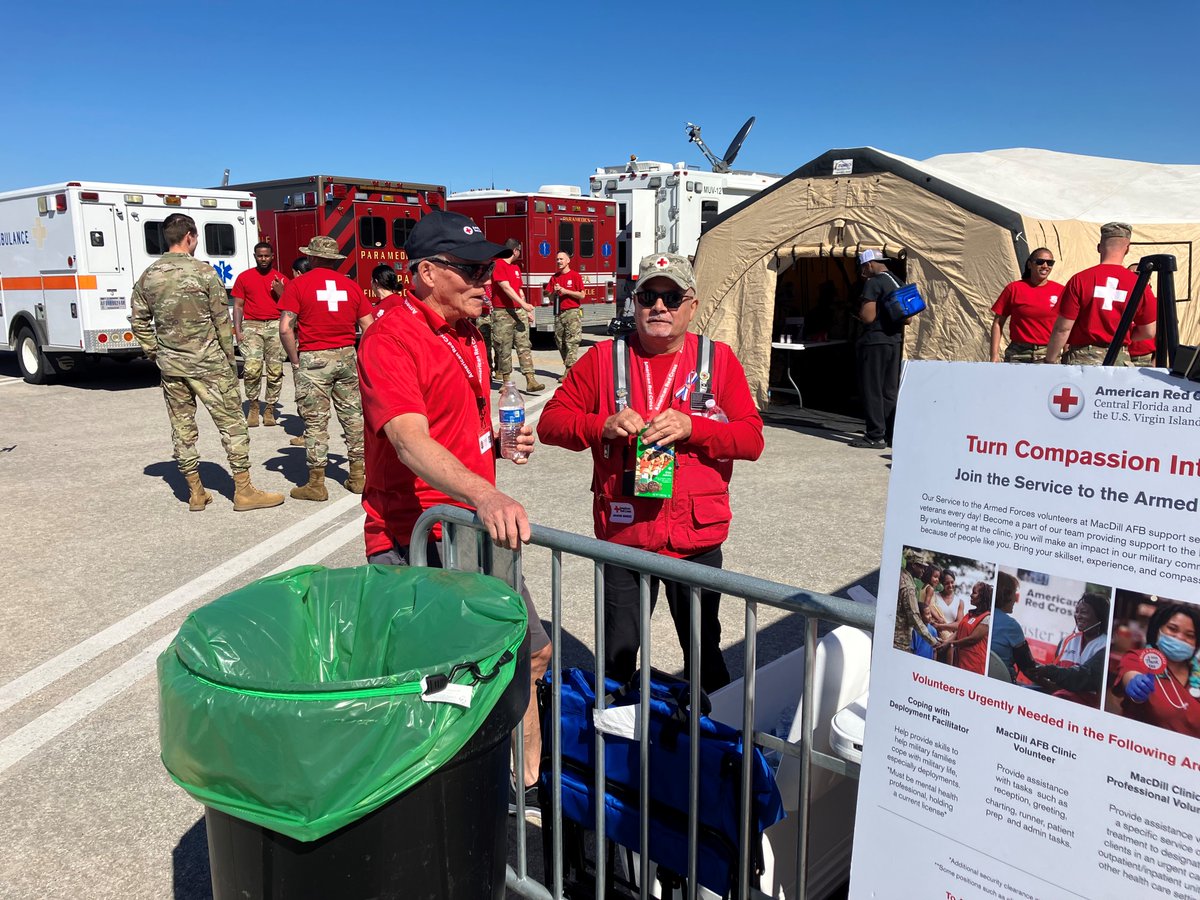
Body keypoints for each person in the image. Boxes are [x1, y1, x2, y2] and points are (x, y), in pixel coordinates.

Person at [355, 209, 551, 816]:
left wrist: (495, 434)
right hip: (415, 535)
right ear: (424, 273)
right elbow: (409, 440)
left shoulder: (466, 329)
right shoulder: (389, 335)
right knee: (443, 684)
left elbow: (449, 417)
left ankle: (526, 792)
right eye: (468, 269)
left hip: (469, 530)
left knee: (530, 652)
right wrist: (485, 493)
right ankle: (452, 800)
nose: (484, 279)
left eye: (486, 267)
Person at [538, 252, 765, 693]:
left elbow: (752, 439)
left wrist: (694, 428)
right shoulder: (603, 358)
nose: (659, 306)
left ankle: (712, 747)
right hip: (626, 537)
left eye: (672, 297)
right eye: (648, 296)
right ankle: (615, 749)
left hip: (694, 540)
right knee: (618, 654)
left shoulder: (718, 361)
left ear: (692, 305)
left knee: (704, 652)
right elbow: (549, 423)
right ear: (635, 302)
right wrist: (598, 424)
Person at [130, 213, 284, 512]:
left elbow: (139, 321)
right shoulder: (204, 273)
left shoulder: (149, 275)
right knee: (233, 425)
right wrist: (230, 361)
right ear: (189, 236)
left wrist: (156, 353)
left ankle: (196, 492)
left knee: (182, 428)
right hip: (209, 365)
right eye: (196, 237)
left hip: (172, 367)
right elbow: (221, 321)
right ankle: (243, 491)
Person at [278, 235, 374, 500]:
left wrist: (295, 360)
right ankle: (357, 476)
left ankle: (316, 484)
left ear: (311, 257)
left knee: (316, 422)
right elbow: (369, 326)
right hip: (346, 357)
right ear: (334, 260)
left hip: (313, 359)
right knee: (353, 418)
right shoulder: (350, 286)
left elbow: (286, 328)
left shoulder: (298, 285)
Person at [1045, 222, 1156, 365]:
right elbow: (1148, 331)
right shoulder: (1139, 285)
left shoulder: (1080, 279)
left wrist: (1050, 359)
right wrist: (1121, 335)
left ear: (1099, 247)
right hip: (1119, 359)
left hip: (1083, 359)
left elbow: (1063, 328)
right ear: (1127, 249)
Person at [1112, 603, 1200, 737]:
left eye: (1190, 635)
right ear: (1157, 629)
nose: (1180, 637)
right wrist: (1135, 683)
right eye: (1172, 628)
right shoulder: (1138, 658)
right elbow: (1130, 674)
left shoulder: (1197, 672)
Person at [231, 242, 288, 427]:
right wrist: (238, 331)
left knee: (275, 370)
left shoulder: (281, 278)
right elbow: (238, 306)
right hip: (252, 325)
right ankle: (254, 406)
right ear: (255, 256)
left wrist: (281, 292)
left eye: (266, 256)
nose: (263, 259)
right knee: (251, 369)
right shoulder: (244, 277)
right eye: (260, 256)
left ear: (273, 256)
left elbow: (291, 307)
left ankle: (270, 408)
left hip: (275, 324)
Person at [851, 249, 903, 449]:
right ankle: (890, 434)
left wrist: (860, 311)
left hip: (874, 341)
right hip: (895, 340)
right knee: (889, 390)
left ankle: (874, 435)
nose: (863, 271)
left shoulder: (874, 283)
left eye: (863, 267)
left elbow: (868, 316)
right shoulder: (896, 280)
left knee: (872, 388)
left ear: (870, 264)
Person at [1033, 591, 1110, 706]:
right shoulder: (1066, 641)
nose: (1078, 616)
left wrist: (1048, 671)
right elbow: (1056, 686)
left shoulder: (1105, 646)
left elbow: (1083, 678)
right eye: (1077, 611)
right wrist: (1037, 674)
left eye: (1084, 612)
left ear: (1100, 616)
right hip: (1059, 698)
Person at [989, 248, 1064, 363]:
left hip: (1048, 356)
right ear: (1030, 264)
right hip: (1018, 355)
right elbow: (998, 323)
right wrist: (994, 355)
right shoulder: (1014, 289)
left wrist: (1066, 354)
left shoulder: (1060, 291)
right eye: (1040, 262)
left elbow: (1066, 326)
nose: (1045, 266)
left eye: (1050, 263)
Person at [491, 239, 545, 393]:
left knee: (524, 345)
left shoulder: (515, 268)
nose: (520, 253)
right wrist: (523, 304)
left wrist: (527, 310)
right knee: (504, 347)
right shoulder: (498, 264)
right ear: (515, 250)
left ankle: (530, 379)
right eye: (519, 250)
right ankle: (506, 382)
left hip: (518, 312)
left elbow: (518, 289)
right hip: (502, 312)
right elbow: (505, 287)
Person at [989, 572, 1039, 681]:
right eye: (1014, 593)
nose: (1015, 600)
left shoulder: (981, 615)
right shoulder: (1011, 626)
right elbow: (1029, 668)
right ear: (1005, 594)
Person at [545, 251, 586, 373]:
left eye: (561, 259)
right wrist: (554, 292)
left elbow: (582, 295)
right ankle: (569, 367)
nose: (559, 262)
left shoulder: (575, 276)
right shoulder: (554, 277)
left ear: (568, 260)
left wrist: (566, 291)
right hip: (559, 313)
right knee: (559, 340)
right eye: (557, 259)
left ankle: (569, 370)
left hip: (572, 312)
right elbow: (550, 297)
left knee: (572, 341)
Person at [287, 256, 313, 448]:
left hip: (305, 349)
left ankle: (308, 434)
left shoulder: (297, 289)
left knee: (305, 396)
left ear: (298, 273)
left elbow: (287, 325)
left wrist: (294, 359)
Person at [944, 582, 993, 675]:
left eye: (974, 593)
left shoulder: (987, 617)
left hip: (974, 665)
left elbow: (972, 639)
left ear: (982, 597)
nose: (971, 595)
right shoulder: (969, 614)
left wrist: (951, 644)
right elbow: (958, 632)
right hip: (961, 661)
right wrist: (945, 642)